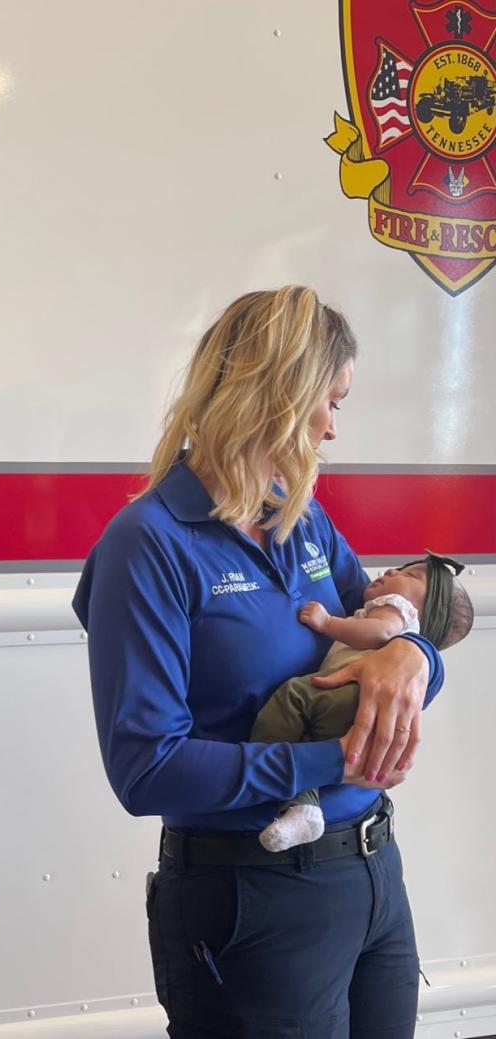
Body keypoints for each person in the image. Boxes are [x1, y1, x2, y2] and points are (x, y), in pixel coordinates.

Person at [73, 286, 447, 1039]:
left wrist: (417, 654)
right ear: (277, 393)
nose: (333, 428)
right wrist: (330, 760)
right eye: (329, 401)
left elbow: (385, 623)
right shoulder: (147, 543)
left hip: (372, 875)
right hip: (253, 894)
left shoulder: (301, 519)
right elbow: (145, 768)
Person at [254, 553, 473, 852]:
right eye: (404, 568)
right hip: (361, 709)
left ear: (427, 610)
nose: (394, 569)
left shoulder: (395, 608)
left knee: (293, 697)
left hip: (355, 696)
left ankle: (265, 771)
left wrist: (328, 622)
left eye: (412, 576)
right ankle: (303, 809)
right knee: (304, 739)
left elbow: (378, 631)